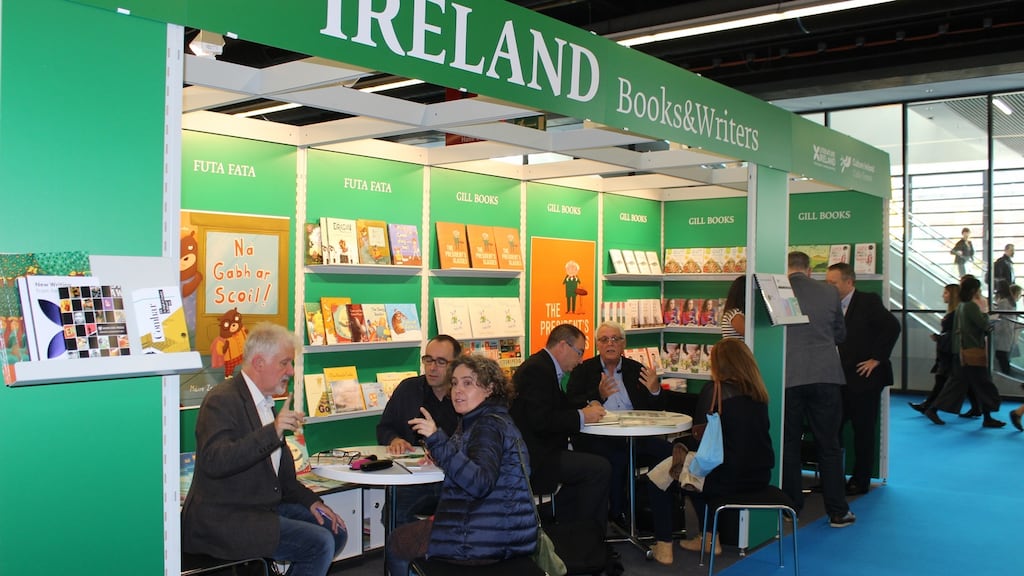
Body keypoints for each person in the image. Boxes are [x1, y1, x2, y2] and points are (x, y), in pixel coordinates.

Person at [182, 323, 347, 576]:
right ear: (259, 362)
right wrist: (273, 430)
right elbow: (215, 461)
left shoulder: (264, 403)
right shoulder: (222, 399)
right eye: (284, 363)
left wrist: (312, 501)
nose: (290, 371)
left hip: (260, 509)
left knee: (335, 531)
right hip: (224, 519)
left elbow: (281, 480)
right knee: (319, 543)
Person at [387, 355, 536, 576]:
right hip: (503, 528)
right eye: (455, 383)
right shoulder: (487, 418)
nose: (458, 390)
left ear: (490, 388)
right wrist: (440, 454)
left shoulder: (487, 425)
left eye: (468, 383)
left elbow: (479, 483)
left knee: (398, 541)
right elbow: (476, 462)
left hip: (486, 536)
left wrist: (437, 440)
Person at [566, 321, 678, 564]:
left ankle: (663, 536)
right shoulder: (583, 371)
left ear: (623, 343)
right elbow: (571, 405)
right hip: (597, 439)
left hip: (636, 436)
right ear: (597, 345)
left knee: (669, 454)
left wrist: (655, 390)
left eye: (615, 339)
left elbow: (658, 408)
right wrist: (598, 395)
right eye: (604, 339)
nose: (610, 344)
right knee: (616, 458)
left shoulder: (637, 369)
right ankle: (618, 516)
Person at [676, 339, 775, 555]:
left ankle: (706, 537)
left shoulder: (714, 391)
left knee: (683, 474)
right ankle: (710, 536)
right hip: (760, 475)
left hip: (727, 480)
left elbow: (700, 438)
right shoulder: (758, 394)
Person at [510, 324, 611, 530]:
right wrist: (582, 416)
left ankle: (571, 530)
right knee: (600, 469)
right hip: (535, 457)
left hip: (544, 449)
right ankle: (587, 536)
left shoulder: (544, 366)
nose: (580, 360)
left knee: (597, 460)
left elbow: (561, 406)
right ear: (563, 346)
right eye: (579, 352)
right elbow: (541, 421)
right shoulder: (537, 370)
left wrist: (587, 406)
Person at [781, 252, 855, 528]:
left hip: (789, 377)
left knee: (789, 444)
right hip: (826, 376)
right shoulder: (829, 292)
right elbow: (840, 334)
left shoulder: (777, 291)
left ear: (785, 268)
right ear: (809, 270)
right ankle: (838, 511)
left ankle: (790, 508)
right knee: (829, 445)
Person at [825, 263, 901, 495]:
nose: (828, 286)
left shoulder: (868, 301)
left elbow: (893, 327)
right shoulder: (828, 304)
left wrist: (876, 358)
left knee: (863, 431)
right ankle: (833, 480)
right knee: (832, 429)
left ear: (849, 282)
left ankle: (861, 480)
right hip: (837, 378)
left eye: (833, 283)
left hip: (863, 379)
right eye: (827, 282)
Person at [376, 335, 461, 527]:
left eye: (441, 362)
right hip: (416, 479)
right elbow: (384, 427)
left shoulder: (463, 395)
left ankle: (432, 538)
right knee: (392, 514)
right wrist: (394, 439)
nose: (432, 367)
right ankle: (424, 540)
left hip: (454, 479)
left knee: (460, 517)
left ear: (456, 364)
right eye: (428, 360)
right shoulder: (408, 389)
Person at [926, 276, 1005, 427]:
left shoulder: (961, 306)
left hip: (961, 352)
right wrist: (987, 317)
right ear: (974, 290)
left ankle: (933, 409)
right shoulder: (971, 307)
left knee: (958, 385)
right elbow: (984, 325)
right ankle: (987, 416)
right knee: (983, 384)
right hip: (972, 351)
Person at [910, 284, 960, 417]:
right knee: (943, 380)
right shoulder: (954, 313)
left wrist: (940, 338)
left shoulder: (955, 314)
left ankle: (929, 407)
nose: (943, 295)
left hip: (949, 352)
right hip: (946, 351)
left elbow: (952, 334)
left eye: (946, 293)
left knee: (942, 380)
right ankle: (928, 406)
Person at [992, 284, 1022, 375]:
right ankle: (1005, 374)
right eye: (1019, 294)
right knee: (1002, 355)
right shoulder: (1005, 302)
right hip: (1003, 333)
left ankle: (1006, 374)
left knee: (1004, 355)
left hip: (1007, 333)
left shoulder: (1011, 303)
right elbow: (1000, 317)